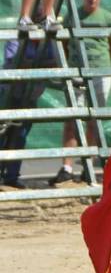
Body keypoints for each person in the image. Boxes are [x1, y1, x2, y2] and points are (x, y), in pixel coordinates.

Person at [49, 0, 111, 186]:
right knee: (72, 120)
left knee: (93, 121)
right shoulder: (72, 16)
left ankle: (87, 166)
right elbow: (62, 41)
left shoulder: (108, 17)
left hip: (101, 74)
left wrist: (101, 65)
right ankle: (67, 167)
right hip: (76, 73)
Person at [0, 33, 55, 188]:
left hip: (30, 97)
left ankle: (11, 176)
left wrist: (33, 64)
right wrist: (42, 65)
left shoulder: (49, 43)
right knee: (2, 135)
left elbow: (55, 63)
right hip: (9, 95)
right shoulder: (16, 38)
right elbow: (16, 63)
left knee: (20, 136)